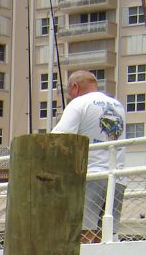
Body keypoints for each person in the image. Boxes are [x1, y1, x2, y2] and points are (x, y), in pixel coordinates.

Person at [51, 70, 126, 243]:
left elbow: (57, 138)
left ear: (75, 87)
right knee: (104, 236)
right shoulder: (118, 105)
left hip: (91, 175)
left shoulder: (79, 103)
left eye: (69, 92)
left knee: (83, 233)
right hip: (117, 177)